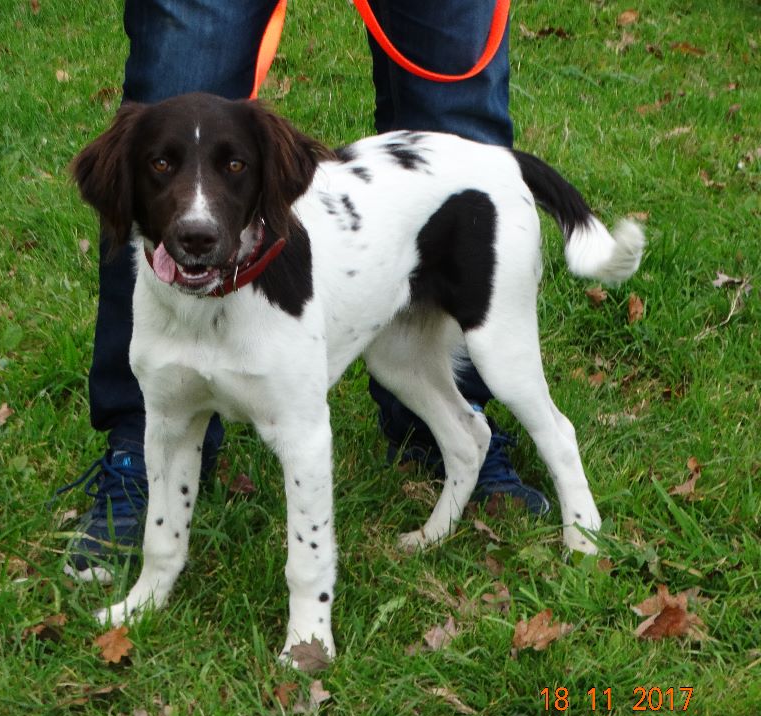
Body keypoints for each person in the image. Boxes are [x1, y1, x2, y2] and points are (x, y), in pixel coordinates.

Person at [61, 0, 549, 583]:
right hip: (171, 324)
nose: (197, 209)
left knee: (454, 111)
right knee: (183, 73)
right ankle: (137, 450)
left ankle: (447, 430)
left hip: (323, 273)